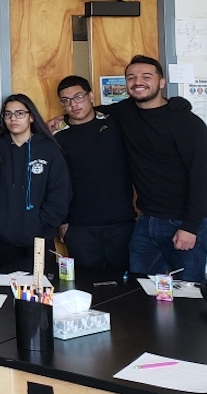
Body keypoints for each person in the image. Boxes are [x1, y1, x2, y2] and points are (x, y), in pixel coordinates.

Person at [98, 55, 207, 283]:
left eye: (146, 77)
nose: (137, 82)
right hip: (146, 222)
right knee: (141, 292)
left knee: (187, 293)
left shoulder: (187, 123)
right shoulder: (125, 112)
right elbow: (88, 113)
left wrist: (190, 227)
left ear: (161, 82)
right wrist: (59, 121)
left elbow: (202, 180)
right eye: (131, 78)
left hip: (182, 222)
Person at [52, 76, 136, 271]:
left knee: (124, 286)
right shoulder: (58, 137)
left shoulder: (116, 125)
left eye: (78, 97)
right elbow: (56, 182)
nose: (73, 104)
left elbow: (144, 106)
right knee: (85, 285)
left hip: (121, 222)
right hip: (79, 225)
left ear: (91, 96)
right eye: (66, 100)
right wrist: (62, 221)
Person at [0, 94, 70, 265]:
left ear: (31, 116)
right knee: (8, 287)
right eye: (8, 114)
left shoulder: (49, 149)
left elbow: (61, 191)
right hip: (4, 237)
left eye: (20, 113)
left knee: (41, 288)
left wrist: (42, 222)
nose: (13, 118)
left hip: (40, 236)